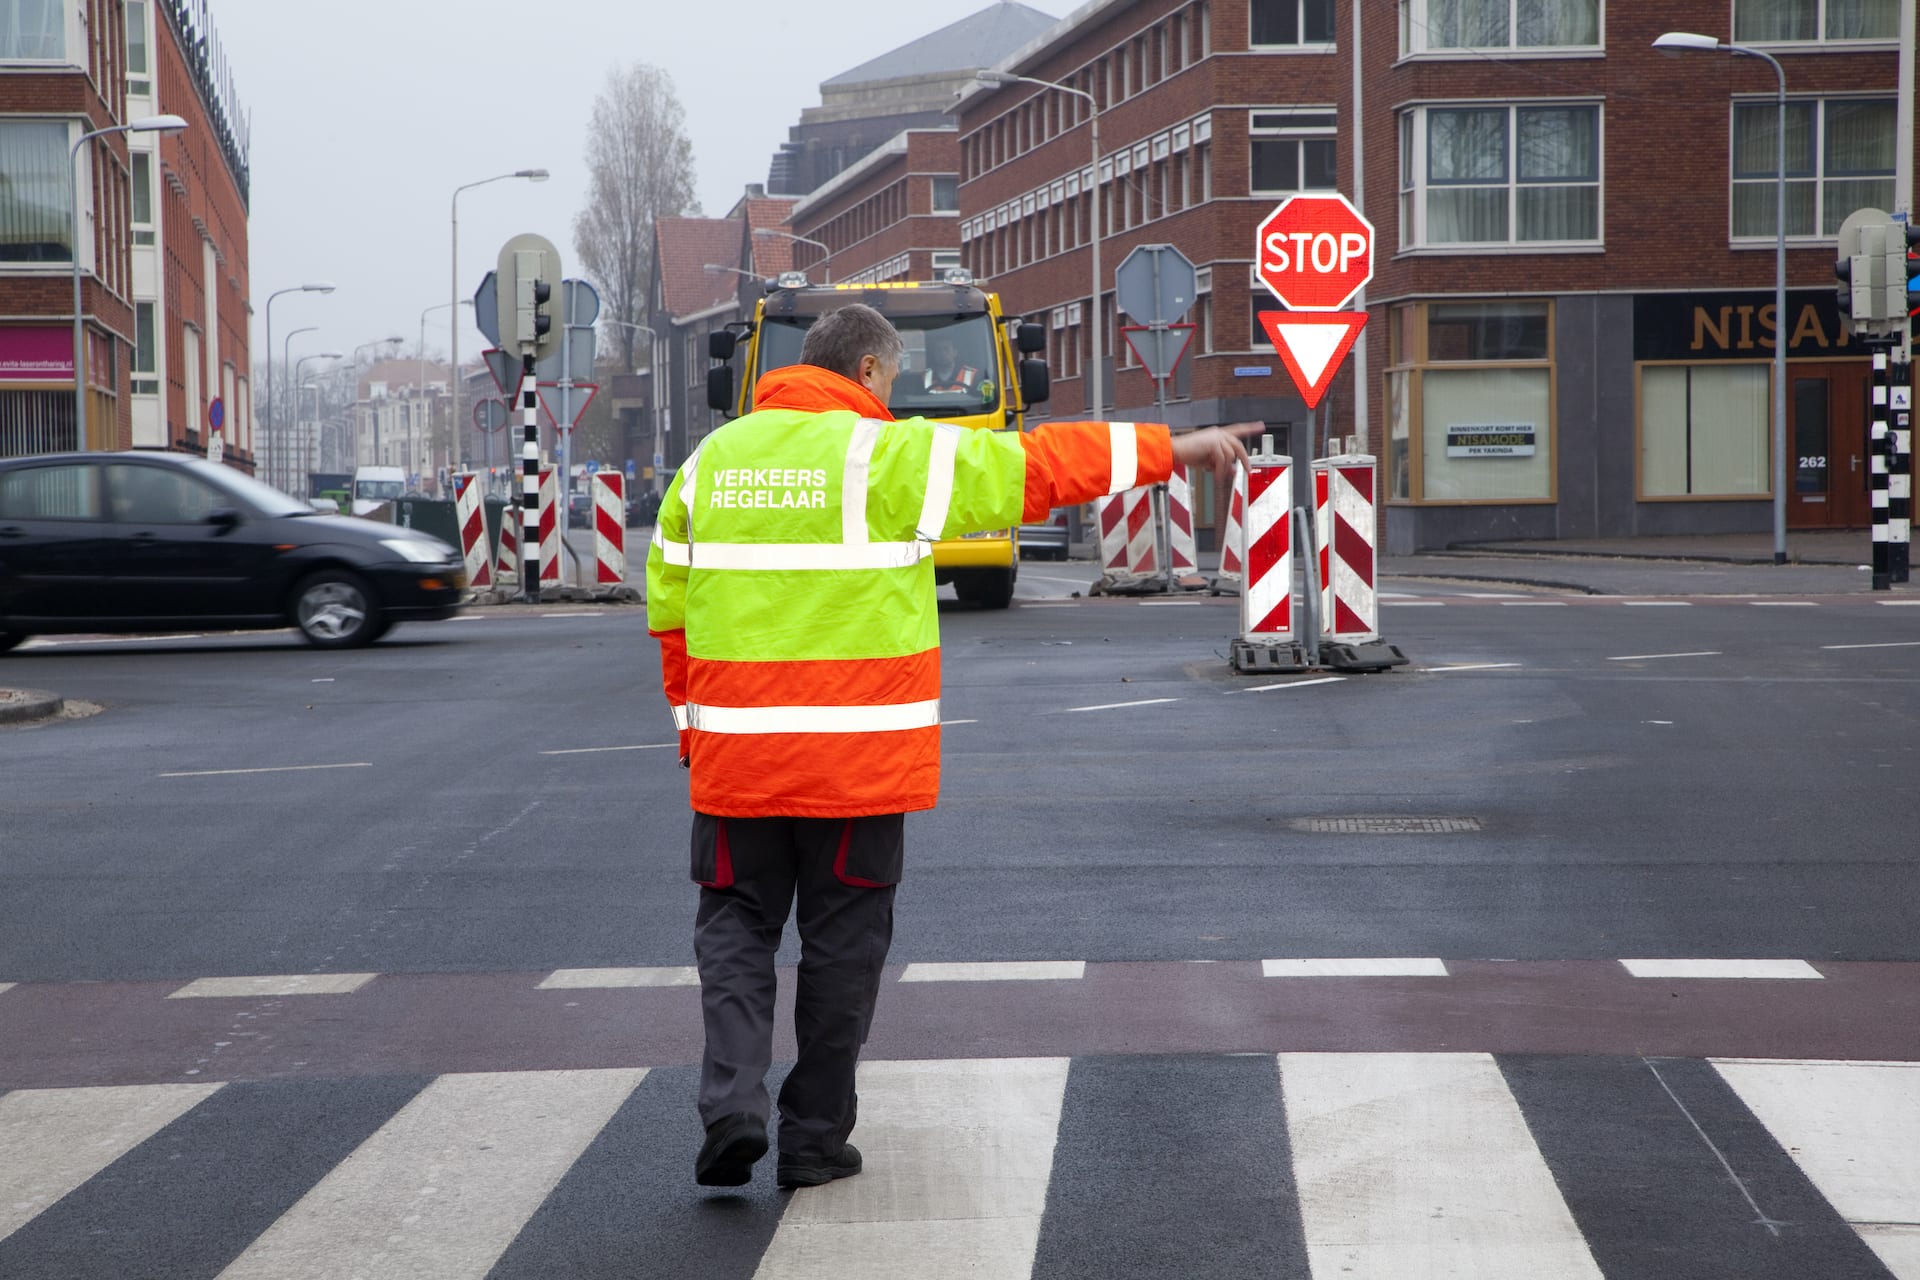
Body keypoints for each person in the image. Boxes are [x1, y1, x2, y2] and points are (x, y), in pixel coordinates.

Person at [645, 303, 1257, 1191]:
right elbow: (1032, 468)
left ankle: (731, 1104)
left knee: (736, 929)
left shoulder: (709, 464)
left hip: (738, 763)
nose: (891, 402)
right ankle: (813, 1137)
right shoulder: (882, 455)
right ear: (865, 374)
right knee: (843, 946)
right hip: (857, 767)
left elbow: (669, 612)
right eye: (890, 384)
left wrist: (695, 736)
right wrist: (1174, 449)